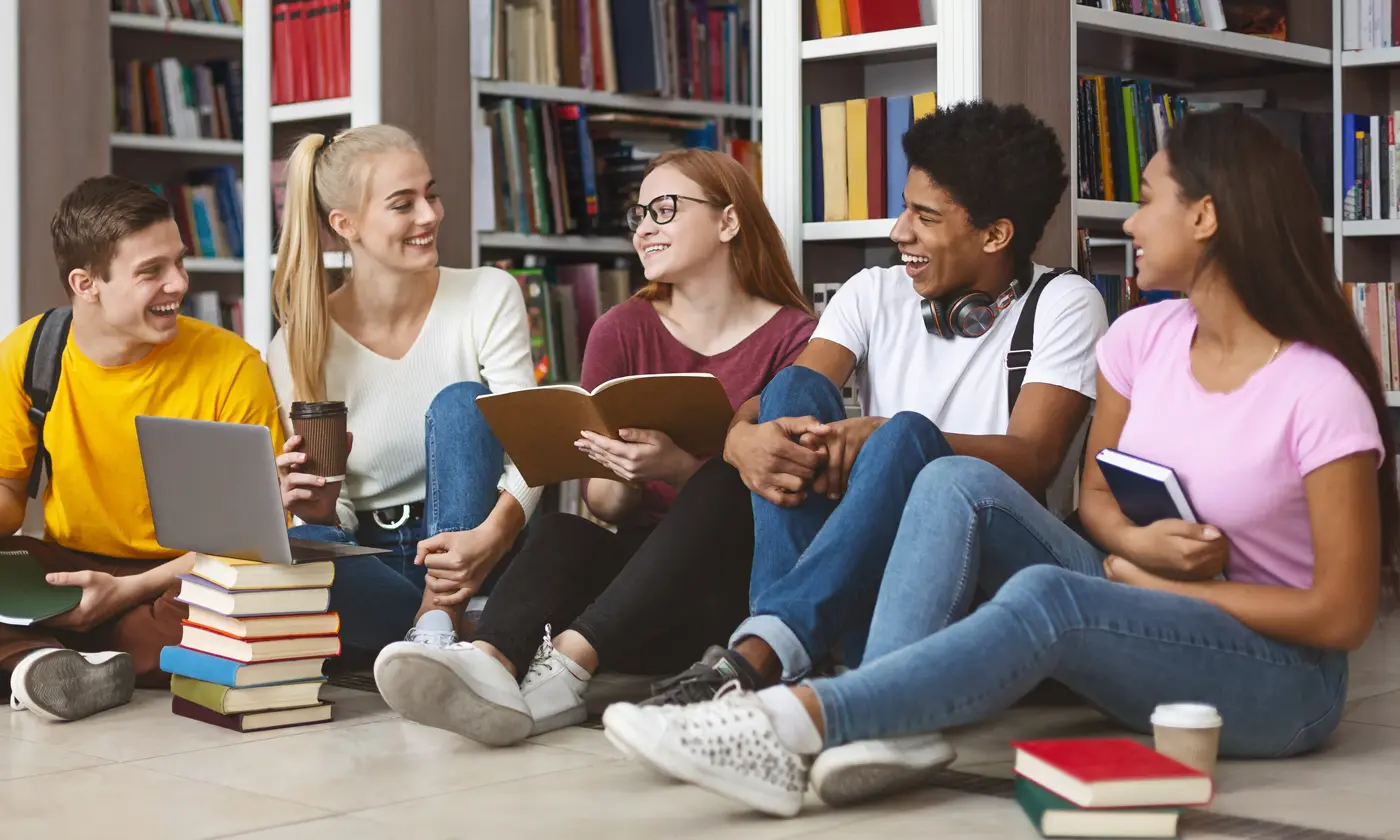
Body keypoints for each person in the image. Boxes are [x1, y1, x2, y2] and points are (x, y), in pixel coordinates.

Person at [602, 108, 1398, 818]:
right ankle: (878, 713)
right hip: (1140, 601)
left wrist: (1147, 579)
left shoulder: (1316, 389)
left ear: (1206, 215)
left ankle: (786, 715)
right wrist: (1137, 545)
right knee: (948, 473)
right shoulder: (1140, 341)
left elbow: (1341, 617)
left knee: (1039, 580)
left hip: (1277, 676)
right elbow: (1093, 496)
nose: (1131, 221)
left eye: (1149, 197)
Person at [644, 100, 1110, 707]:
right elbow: (781, 401)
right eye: (903, 207)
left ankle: (763, 659)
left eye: (925, 216)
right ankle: (785, 661)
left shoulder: (1064, 302)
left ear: (995, 234)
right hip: (873, 561)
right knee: (789, 394)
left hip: (985, 558)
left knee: (908, 436)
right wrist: (740, 440)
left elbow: (1035, 459)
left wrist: (886, 438)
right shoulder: (873, 291)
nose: (898, 232)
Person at [371, 148, 817, 747]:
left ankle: (567, 669)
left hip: (730, 591)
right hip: (632, 599)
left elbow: (786, 488)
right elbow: (605, 508)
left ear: (728, 221)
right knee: (561, 531)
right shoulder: (620, 328)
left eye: (666, 210)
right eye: (640, 215)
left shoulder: (796, 335)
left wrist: (678, 467)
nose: (647, 228)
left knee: (728, 474)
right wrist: (620, 471)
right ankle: (492, 667)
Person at [0, 176, 285, 721]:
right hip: (70, 569)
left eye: (178, 261)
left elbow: (255, 537)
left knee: (238, 607)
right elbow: (10, 495)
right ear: (86, 284)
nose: (177, 283)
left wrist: (127, 590)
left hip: (180, 576)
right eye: (151, 272)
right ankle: (52, 664)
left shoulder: (232, 365)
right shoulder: (30, 352)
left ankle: (43, 659)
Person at [267, 124, 539, 659]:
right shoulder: (298, 344)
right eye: (403, 204)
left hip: (483, 542)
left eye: (431, 195)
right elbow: (333, 520)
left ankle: (439, 621)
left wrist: (492, 538)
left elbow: (533, 453)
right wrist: (319, 510)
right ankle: (443, 636)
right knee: (292, 552)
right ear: (346, 225)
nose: (430, 216)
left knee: (463, 402)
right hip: (371, 558)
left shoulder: (488, 294)